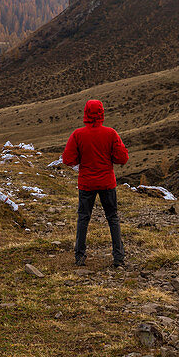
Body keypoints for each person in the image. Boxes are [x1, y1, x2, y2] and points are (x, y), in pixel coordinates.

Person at [62, 99, 129, 268]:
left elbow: (67, 159)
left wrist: (81, 159)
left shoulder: (78, 134)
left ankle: (79, 256)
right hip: (107, 182)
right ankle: (118, 257)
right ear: (102, 113)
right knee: (112, 217)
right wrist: (109, 158)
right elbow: (122, 158)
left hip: (86, 183)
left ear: (85, 113)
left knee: (83, 218)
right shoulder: (111, 133)